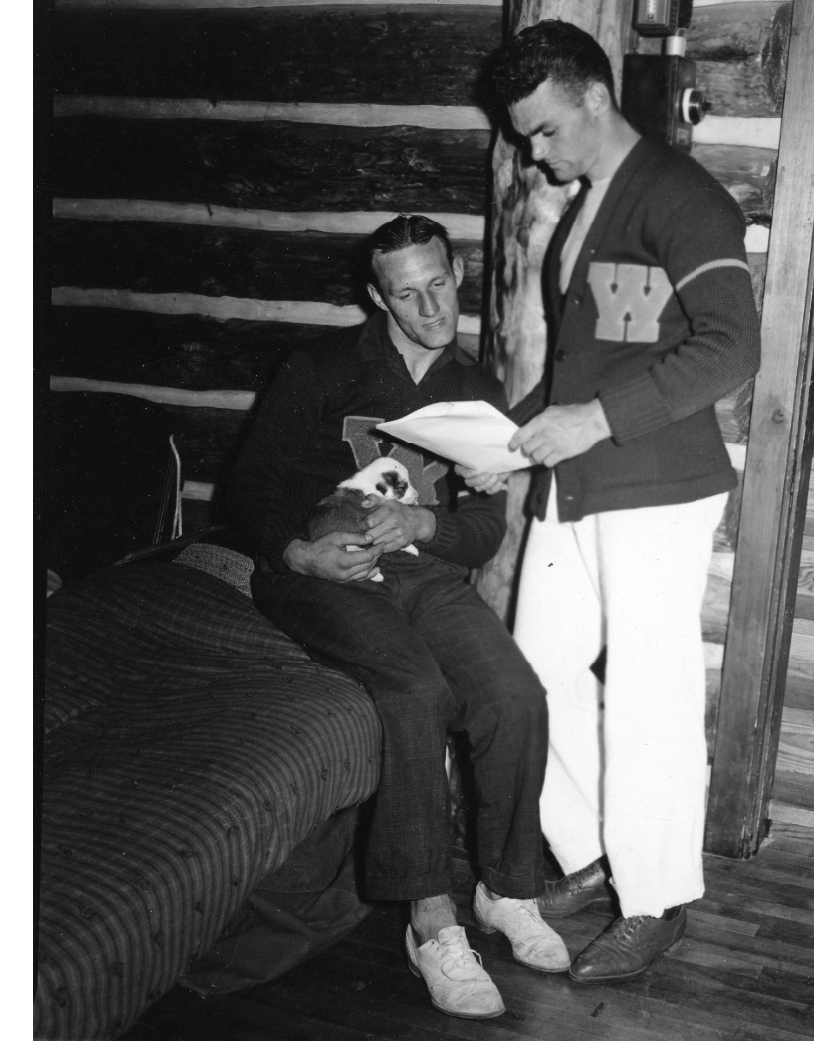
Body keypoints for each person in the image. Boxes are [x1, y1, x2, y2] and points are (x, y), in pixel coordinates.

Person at [465, 20, 763, 985]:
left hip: (655, 485)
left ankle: (659, 894)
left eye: (545, 131)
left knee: (649, 692)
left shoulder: (683, 198)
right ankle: (597, 846)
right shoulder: (588, 202)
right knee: (538, 669)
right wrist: (496, 440)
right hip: (576, 485)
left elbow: (731, 347)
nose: (536, 156)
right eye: (524, 139)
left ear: (594, 96)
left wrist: (592, 420)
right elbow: (574, 367)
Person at [227, 215, 569, 1021]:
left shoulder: (478, 392)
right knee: (415, 689)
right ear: (378, 296)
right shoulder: (320, 367)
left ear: (457, 271)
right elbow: (245, 489)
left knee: (514, 693)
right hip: (325, 574)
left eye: (440, 284)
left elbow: (484, 530)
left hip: (422, 577)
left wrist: (426, 526)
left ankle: (506, 891)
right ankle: (432, 921)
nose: (430, 308)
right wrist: (295, 554)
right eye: (407, 293)